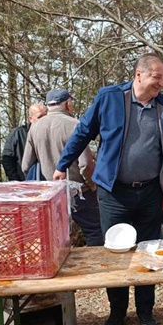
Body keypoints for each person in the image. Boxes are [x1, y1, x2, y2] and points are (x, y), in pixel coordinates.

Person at [54, 53, 163, 325]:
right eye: (157, 77)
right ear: (139, 74)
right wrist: (62, 165)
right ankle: (117, 313)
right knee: (116, 255)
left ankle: (146, 312)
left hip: (151, 193)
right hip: (114, 194)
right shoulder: (109, 98)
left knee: (149, 253)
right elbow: (83, 132)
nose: (162, 83)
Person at [22, 89, 103, 247]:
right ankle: (95, 269)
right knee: (94, 231)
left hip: (51, 192)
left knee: (56, 236)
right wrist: (92, 185)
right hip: (79, 191)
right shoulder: (75, 125)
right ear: (68, 104)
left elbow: (26, 165)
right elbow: (85, 163)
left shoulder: (35, 128)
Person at [2, 103, 47, 181]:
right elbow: (7, 159)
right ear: (30, 118)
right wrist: (16, 180)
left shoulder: (51, 133)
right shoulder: (17, 134)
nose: (43, 120)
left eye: (45, 117)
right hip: (24, 181)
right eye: (40, 117)